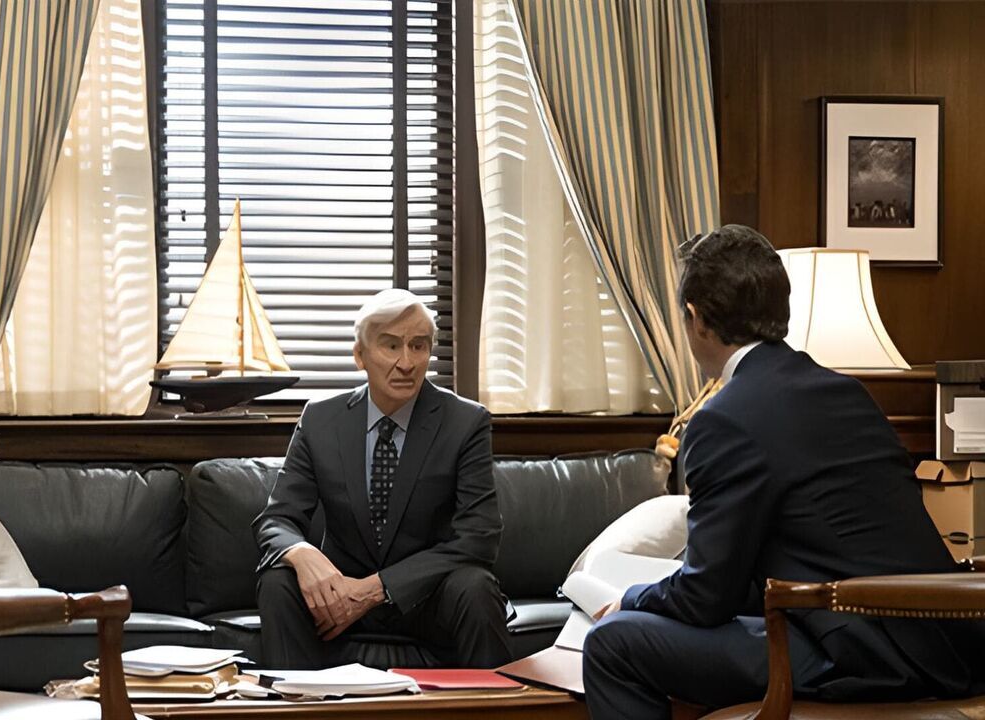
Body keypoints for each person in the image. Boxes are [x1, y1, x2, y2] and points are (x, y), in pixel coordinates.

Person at [581, 224, 985, 719]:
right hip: (946, 647)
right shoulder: (848, 393)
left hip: (862, 654)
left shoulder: (724, 419)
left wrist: (631, 599)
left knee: (612, 643)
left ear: (696, 319)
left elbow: (706, 598)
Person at [253, 289, 511, 669]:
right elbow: (277, 520)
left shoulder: (465, 422)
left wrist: (376, 589)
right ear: (360, 355)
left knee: (475, 587)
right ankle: (295, 698)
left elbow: (479, 537)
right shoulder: (321, 420)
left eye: (418, 346)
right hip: (337, 601)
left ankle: (489, 701)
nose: (406, 363)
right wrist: (302, 553)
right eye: (391, 346)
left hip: (426, 600)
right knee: (278, 581)